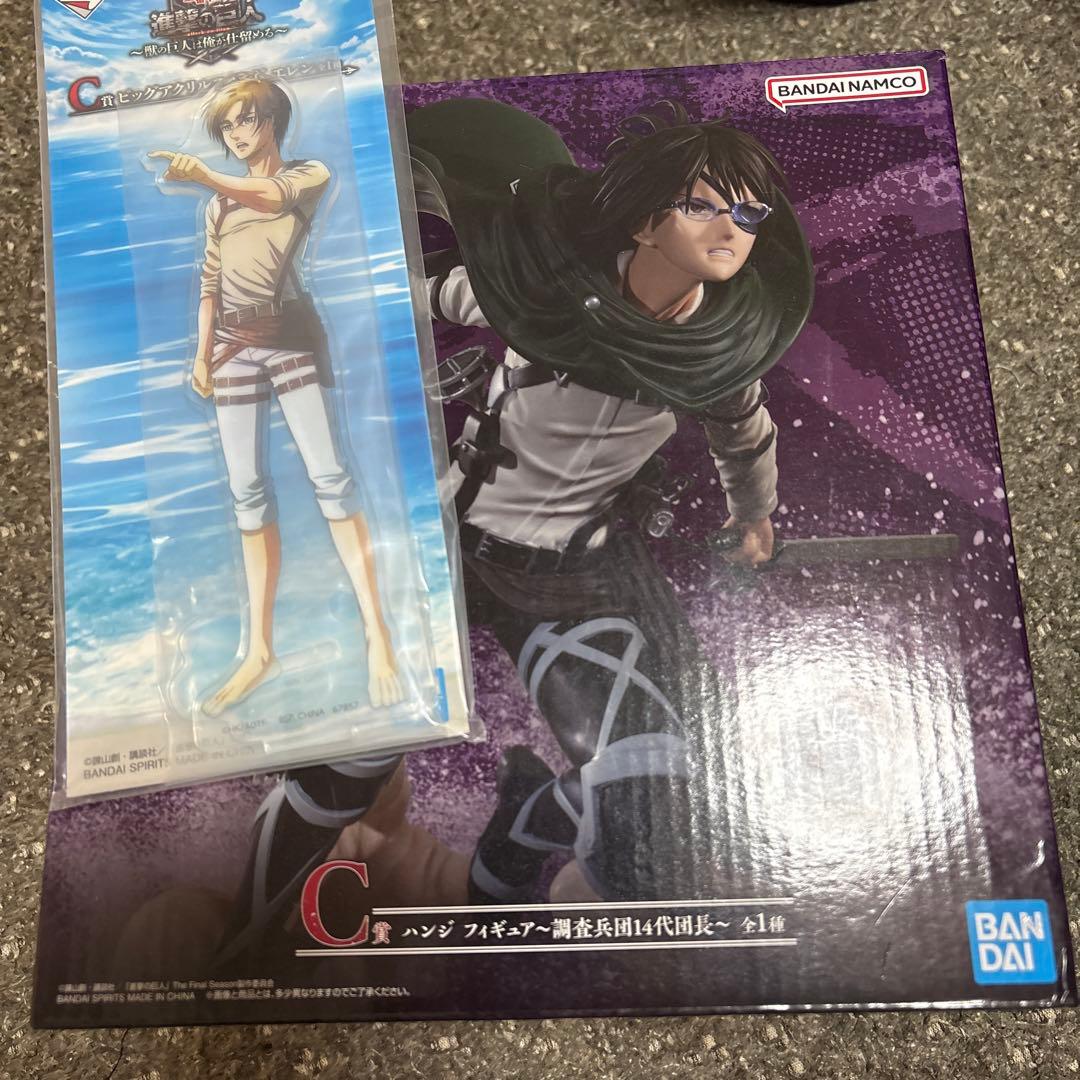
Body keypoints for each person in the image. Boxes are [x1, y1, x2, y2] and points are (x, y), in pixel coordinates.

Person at [149, 78, 401, 716]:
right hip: (231, 345)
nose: (238, 134)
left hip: (287, 335)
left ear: (273, 122)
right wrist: (200, 354)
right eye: (228, 126)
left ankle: (378, 634)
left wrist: (202, 174)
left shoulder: (306, 175)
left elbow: (269, 195)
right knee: (246, 490)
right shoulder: (218, 206)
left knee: (330, 477)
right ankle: (259, 651)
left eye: (248, 120)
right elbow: (209, 284)